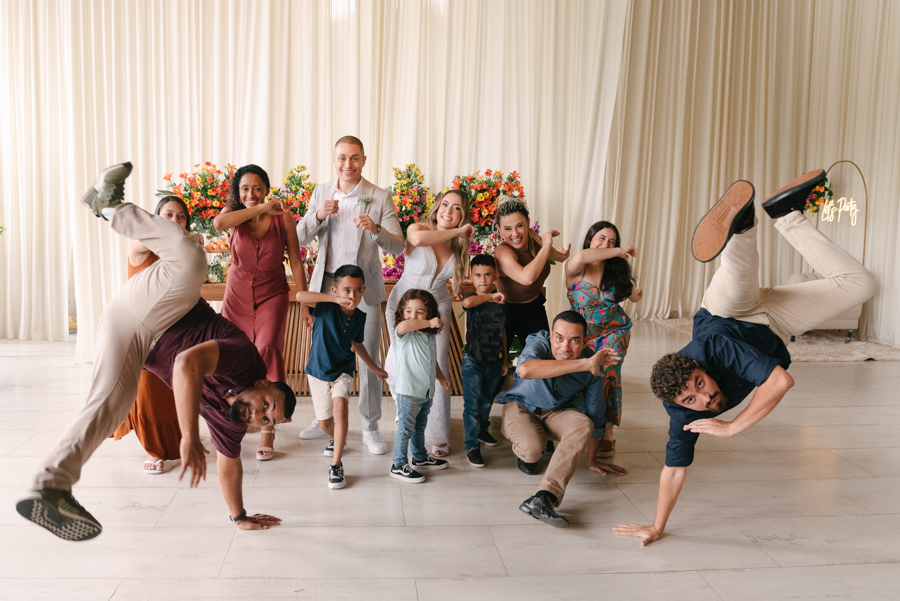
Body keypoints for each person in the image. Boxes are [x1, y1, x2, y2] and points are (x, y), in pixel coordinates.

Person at [16, 163, 295, 541]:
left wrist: (239, 516)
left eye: (265, 420)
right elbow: (186, 363)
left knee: (109, 405)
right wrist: (188, 437)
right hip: (159, 307)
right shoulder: (246, 361)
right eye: (267, 405)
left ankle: (50, 485)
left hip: (127, 332)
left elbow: (230, 465)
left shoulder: (233, 419)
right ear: (264, 382)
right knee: (192, 256)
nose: (260, 415)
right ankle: (111, 207)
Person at [614, 172, 876, 546]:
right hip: (776, 325)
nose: (704, 400)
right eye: (691, 399)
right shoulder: (684, 416)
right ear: (678, 406)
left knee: (738, 271)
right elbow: (672, 471)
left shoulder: (712, 348)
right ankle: (787, 214)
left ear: (699, 367)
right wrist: (656, 526)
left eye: (700, 384)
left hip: (727, 314)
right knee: (862, 284)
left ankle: (743, 223)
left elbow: (780, 381)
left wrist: (733, 425)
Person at [296, 136, 403, 455]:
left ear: (364, 160)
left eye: (354, 158)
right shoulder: (320, 193)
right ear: (334, 159)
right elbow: (299, 238)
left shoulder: (380, 197)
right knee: (323, 354)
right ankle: (324, 417)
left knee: (369, 353)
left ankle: (370, 427)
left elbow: (398, 246)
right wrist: (317, 217)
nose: (348, 164)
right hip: (327, 288)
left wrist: (375, 230)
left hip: (364, 289)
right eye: (342, 158)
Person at [213, 164, 308, 461]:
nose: (251, 194)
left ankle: (269, 427)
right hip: (237, 292)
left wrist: (305, 301)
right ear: (238, 193)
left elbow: (295, 261)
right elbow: (218, 224)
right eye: (244, 189)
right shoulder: (234, 217)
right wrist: (259, 208)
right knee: (231, 353)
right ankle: (235, 415)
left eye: (257, 188)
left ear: (266, 188)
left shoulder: (284, 219)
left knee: (267, 347)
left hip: (273, 292)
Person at [498, 311, 628, 527]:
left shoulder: (593, 365)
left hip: (555, 413)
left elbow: (595, 416)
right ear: (550, 335)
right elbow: (526, 369)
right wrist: (584, 363)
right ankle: (526, 440)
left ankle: (544, 497)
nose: (565, 348)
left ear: (585, 340)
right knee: (532, 451)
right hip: (521, 406)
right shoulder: (538, 341)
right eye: (559, 338)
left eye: (575, 340)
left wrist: (592, 459)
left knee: (582, 423)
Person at [111, 195, 202, 474]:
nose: (174, 221)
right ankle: (154, 448)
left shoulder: (184, 255)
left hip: (176, 331)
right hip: (143, 333)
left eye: (181, 217)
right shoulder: (141, 244)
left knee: (179, 385)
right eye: (168, 215)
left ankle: (183, 438)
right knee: (149, 388)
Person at [384, 189, 473, 456]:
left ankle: (437, 434)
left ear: (463, 215)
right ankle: (405, 408)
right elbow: (419, 239)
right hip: (405, 303)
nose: (448, 211)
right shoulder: (419, 228)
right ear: (437, 207)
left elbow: (456, 276)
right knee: (397, 362)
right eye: (445, 204)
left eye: (456, 208)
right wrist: (458, 232)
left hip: (437, 305)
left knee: (437, 365)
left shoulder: (459, 244)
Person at [295, 264, 388, 489]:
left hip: (343, 370)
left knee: (341, 409)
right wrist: (333, 300)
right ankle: (339, 439)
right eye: (346, 290)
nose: (352, 296)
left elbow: (357, 343)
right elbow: (300, 295)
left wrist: (374, 367)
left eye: (357, 290)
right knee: (327, 423)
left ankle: (336, 464)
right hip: (317, 371)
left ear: (363, 290)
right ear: (335, 290)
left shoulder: (360, 317)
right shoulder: (325, 306)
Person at [565, 220, 643, 459]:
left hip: (614, 331)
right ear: (590, 239)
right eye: (601, 238)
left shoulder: (616, 272)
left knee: (608, 373)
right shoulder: (576, 267)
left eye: (612, 241)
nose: (606, 244)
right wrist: (620, 251)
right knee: (584, 376)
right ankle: (581, 426)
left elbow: (634, 297)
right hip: (582, 335)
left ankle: (607, 433)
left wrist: (636, 292)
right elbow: (583, 255)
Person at [389, 289, 451, 483]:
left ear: (430, 313)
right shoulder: (404, 332)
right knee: (406, 428)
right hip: (408, 390)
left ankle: (420, 457)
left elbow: (432, 361)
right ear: (401, 313)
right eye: (408, 311)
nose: (412, 316)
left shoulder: (429, 336)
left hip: (425, 391)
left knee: (420, 426)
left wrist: (441, 378)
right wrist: (428, 322)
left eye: (420, 312)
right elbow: (406, 325)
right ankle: (398, 464)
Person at [493, 196, 569, 352]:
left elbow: (552, 254)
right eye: (507, 228)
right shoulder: (503, 253)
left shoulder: (532, 235)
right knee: (496, 367)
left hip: (534, 308)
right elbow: (527, 278)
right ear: (499, 230)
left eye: (519, 226)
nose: (515, 233)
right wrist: (547, 244)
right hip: (506, 312)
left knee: (544, 356)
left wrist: (564, 256)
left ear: (528, 223)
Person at [461, 254, 508, 468]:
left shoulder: (501, 302)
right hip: (473, 360)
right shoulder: (476, 298)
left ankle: (482, 430)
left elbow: (503, 332)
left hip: (494, 361)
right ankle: (471, 445)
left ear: (495, 276)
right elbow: (467, 303)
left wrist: (505, 359)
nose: (483, 279)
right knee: (472, 404)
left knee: (487, 400)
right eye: (478, 275)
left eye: (487, 275)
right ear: (471, 277)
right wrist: (490, 297)